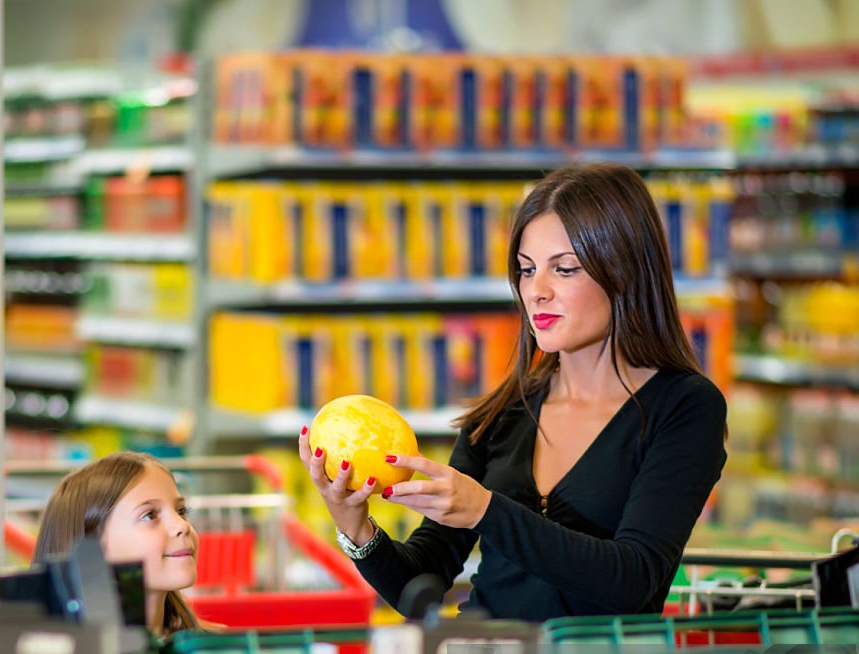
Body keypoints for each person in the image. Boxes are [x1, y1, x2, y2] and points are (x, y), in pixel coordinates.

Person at [299, 162, 728, 622]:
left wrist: (486, 510)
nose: (535, 292)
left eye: (564, 270)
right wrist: (356, 528)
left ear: (623, 272)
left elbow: (634, 580)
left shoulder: (684, 407)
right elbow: (419, 585)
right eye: (526, 270)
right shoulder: (503, 414)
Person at [32, 452, 199, 635]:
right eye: (149, 515)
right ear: (91, 548)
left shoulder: (208, 651)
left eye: (181, 510)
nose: (182, 525)